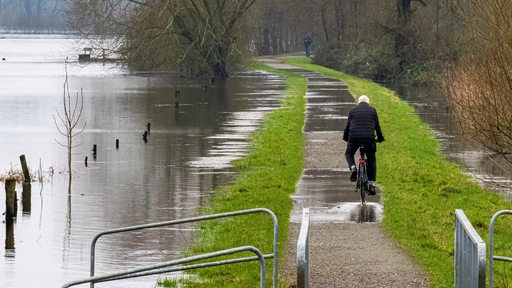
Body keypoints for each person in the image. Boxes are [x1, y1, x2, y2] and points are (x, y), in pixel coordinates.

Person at [343, 95, 385, 195]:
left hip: (354, 137)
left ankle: (353, 167)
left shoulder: (353, 110)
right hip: (369, 138)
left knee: (348, 153)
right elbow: (377, 126)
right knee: (371, 158)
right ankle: (371, 185)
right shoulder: (373, 110)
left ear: (359, 102)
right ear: (368, 102)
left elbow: (348, 126)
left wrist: (345, 137)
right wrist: (380, 138)